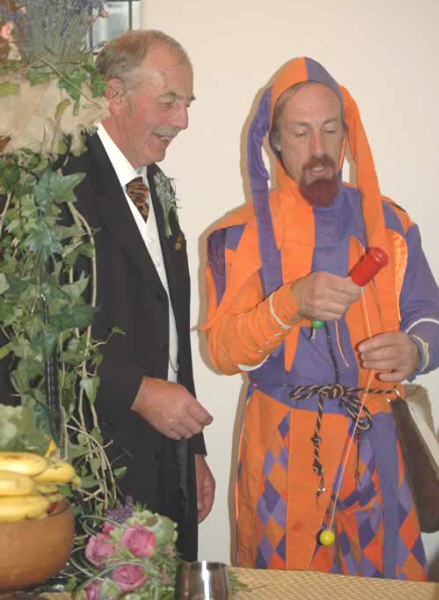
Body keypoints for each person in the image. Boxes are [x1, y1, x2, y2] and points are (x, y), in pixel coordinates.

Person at [203, 57, 439, 578]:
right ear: (274, 143)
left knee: (390, 585)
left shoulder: (392, 223)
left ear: (347, 134)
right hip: (281, 444)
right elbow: (223, 351)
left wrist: (413, 350)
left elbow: (431, 318)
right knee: (284, 587)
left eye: (330, 129)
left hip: (379, 436)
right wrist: (288, 302)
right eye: (300, 131)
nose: (318, 149)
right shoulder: (235, 236)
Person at [65, 30, 215, 561]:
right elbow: (28, 335)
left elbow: (169, 324)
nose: (182, 121)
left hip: (164, 461)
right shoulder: (58, 186)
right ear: (115, 95)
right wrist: (136, 391)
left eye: (187, 103)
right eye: (168, 101)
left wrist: (191, 450)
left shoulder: (156, 187)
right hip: (92, 466)